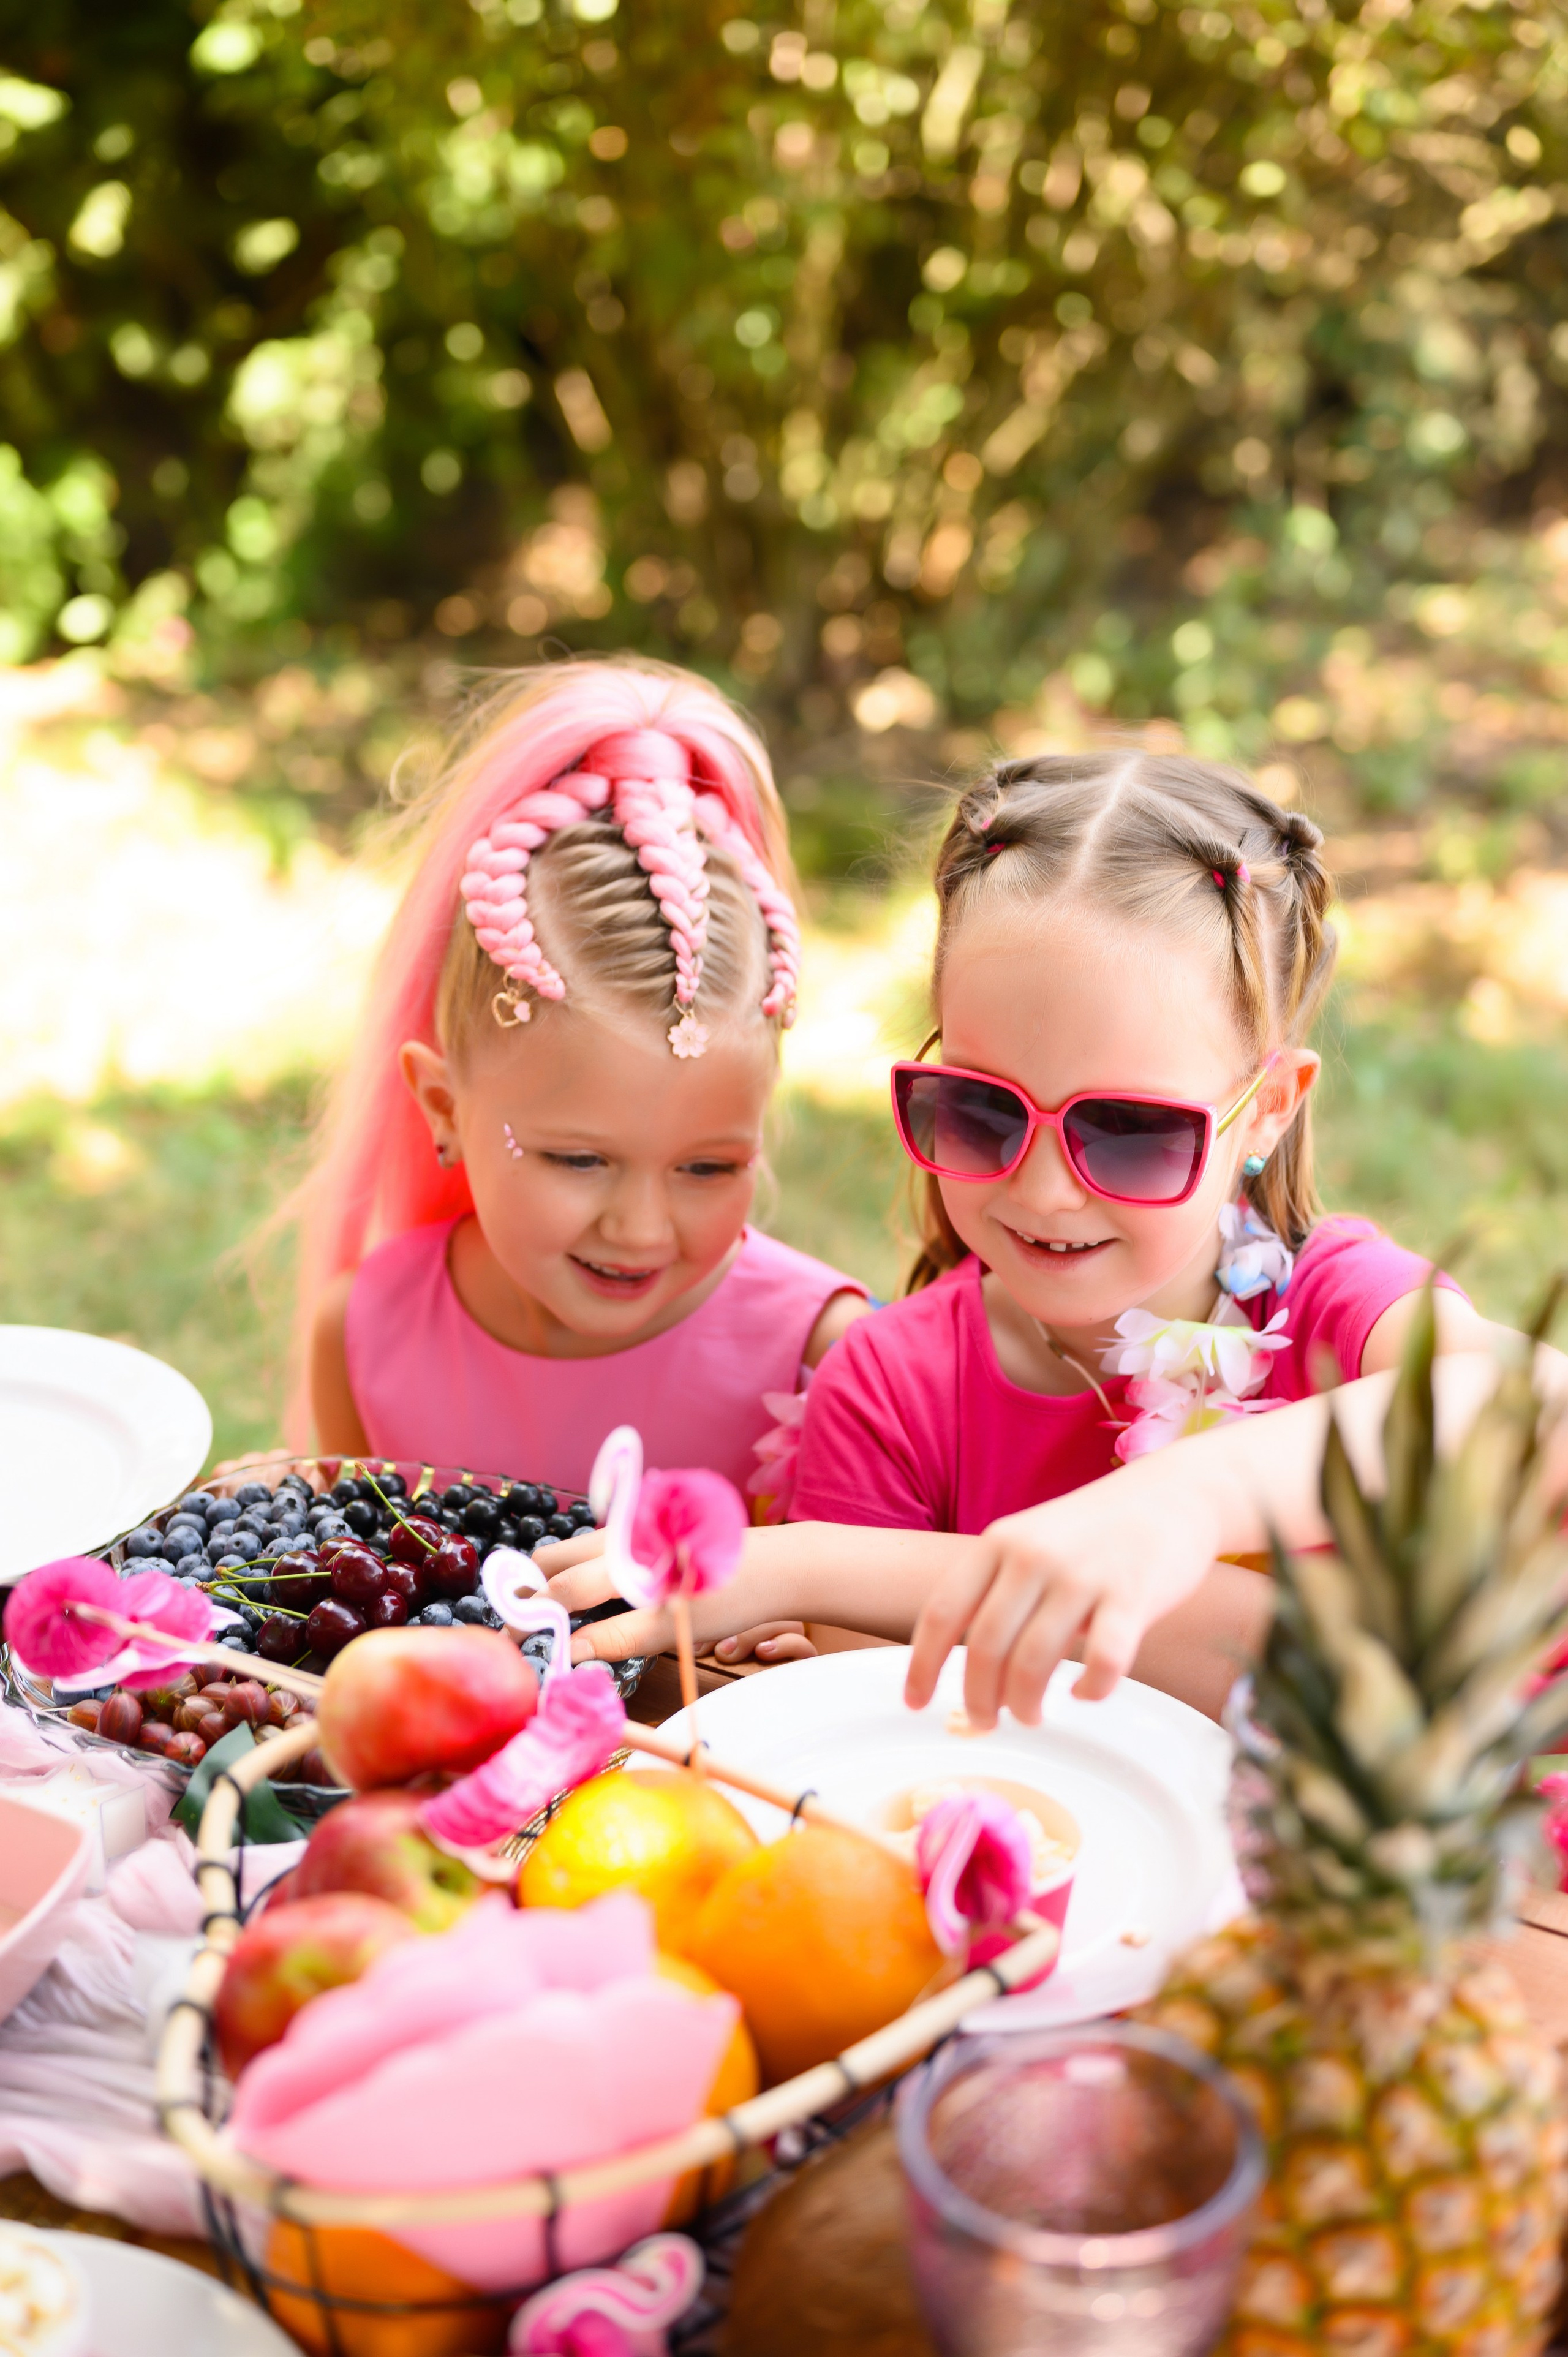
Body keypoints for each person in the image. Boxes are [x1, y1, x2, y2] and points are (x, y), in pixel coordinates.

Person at [550, 750, 1561, 1717]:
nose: (1042, 1192)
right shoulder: (890, 1390)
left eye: (1127, 1130)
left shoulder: (1337, 1307)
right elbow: (894, 1716)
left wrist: (1183, 1503)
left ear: (1267, 1111)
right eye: (981, 1109)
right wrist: (820, 1611)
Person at [288, 657, 867, 1541]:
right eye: (580, 1159)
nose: (641, 1229)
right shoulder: (365, 1333)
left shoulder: (821, 1362)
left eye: (708, 1168)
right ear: (443, 1107)